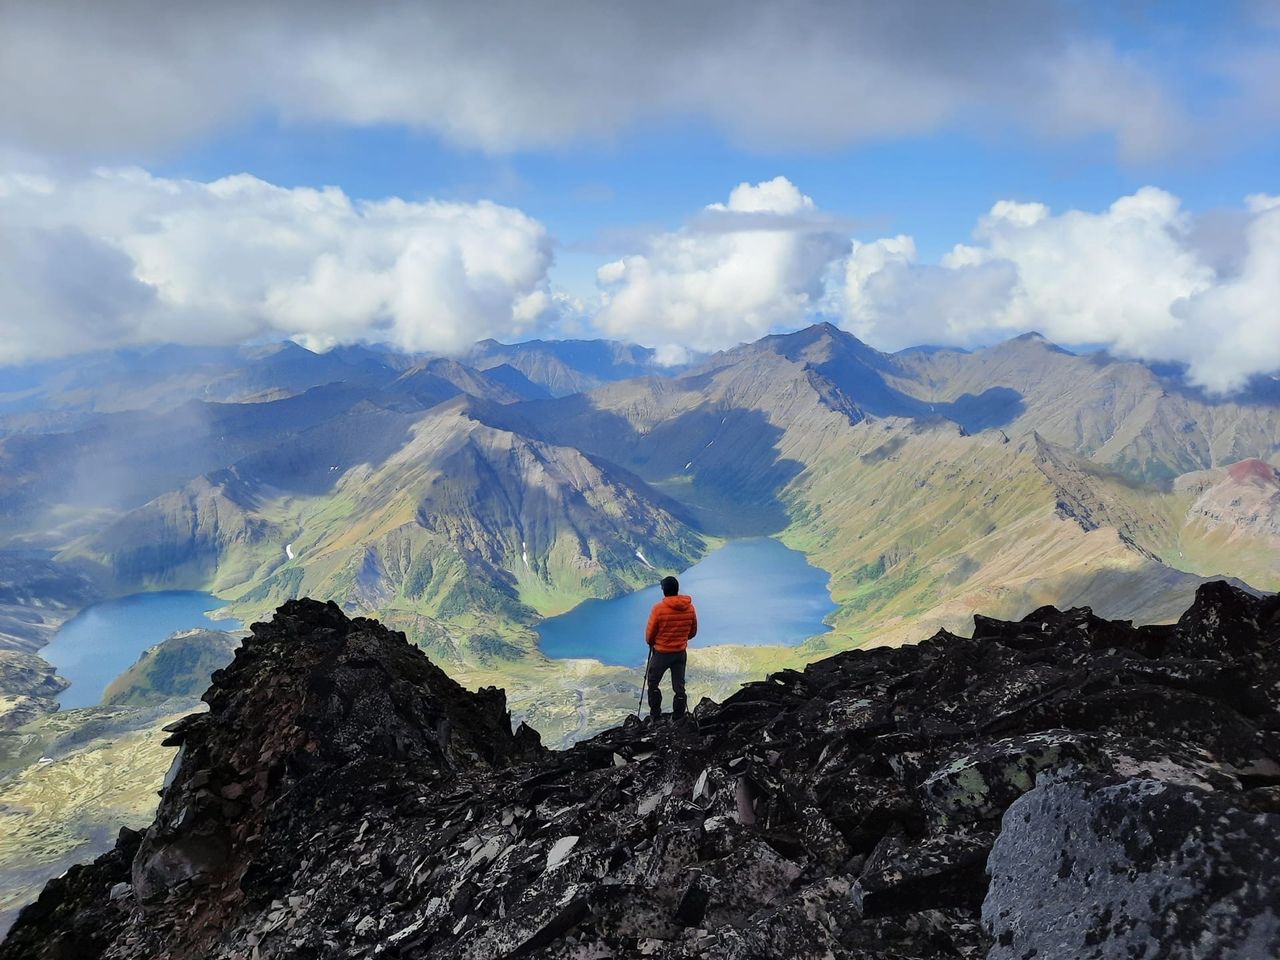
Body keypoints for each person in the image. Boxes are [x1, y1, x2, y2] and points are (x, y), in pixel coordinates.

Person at [644, 575, 697, 721]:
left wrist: (653, 642)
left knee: (653, 683)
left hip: (661, 653)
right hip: (680, 653)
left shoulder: (658, 609)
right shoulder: (690, 608)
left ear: (664, 591)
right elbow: (692, 632)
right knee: (679, 687)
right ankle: (679, 717)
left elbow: (650, 634)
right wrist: (679, 639)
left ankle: (655, 716)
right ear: (676, 589)